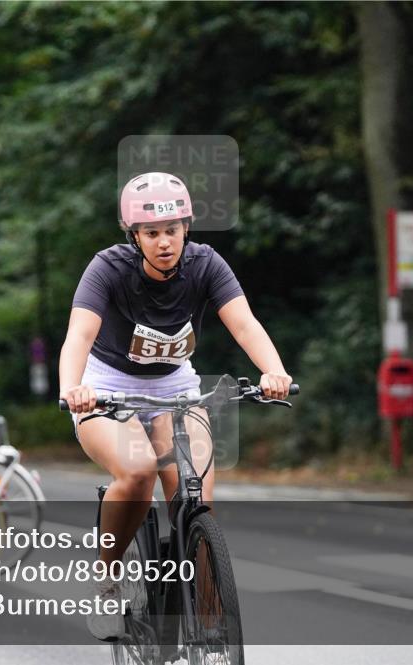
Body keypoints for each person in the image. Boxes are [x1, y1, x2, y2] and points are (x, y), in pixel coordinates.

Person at [58, 172, 292, 640]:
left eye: (172, 230)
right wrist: (72, 388)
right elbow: (78, 336)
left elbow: (244, 325)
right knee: (139, 472)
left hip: (176, 386)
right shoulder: (108, 268)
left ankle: (207, 619)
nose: (164, 242)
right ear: (134, 236)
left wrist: (274, 371)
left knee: (195, 498)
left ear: (186, 228)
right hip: (106, 386)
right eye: (151, 233)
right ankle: (107, 582)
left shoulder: (206, 265)